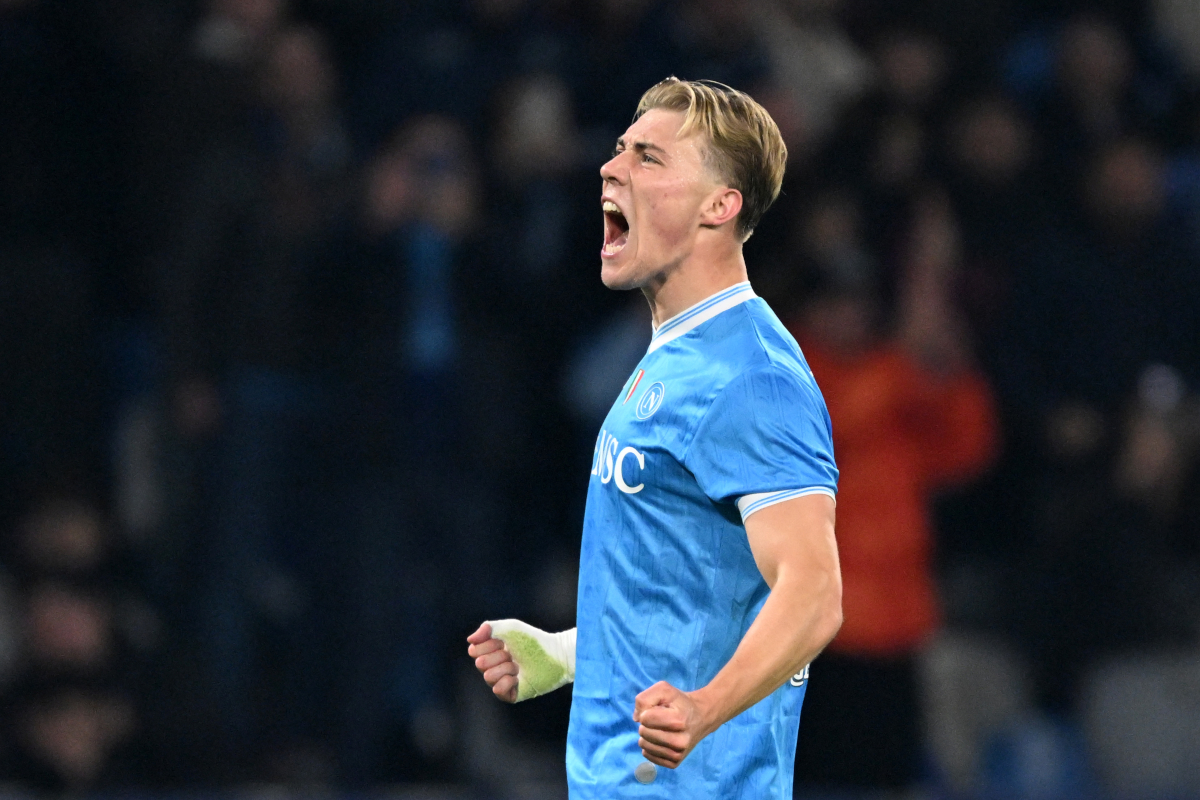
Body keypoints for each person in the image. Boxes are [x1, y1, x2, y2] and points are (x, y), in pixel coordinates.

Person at [467, 77, 843, 798]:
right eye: (618, 152)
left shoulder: (751, 378)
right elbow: (695, 593)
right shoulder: (675, 355)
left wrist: (704, 709)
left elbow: (814, 592)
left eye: (649, 158)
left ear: (720, 205)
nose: (611, 169)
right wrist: (569, 652)